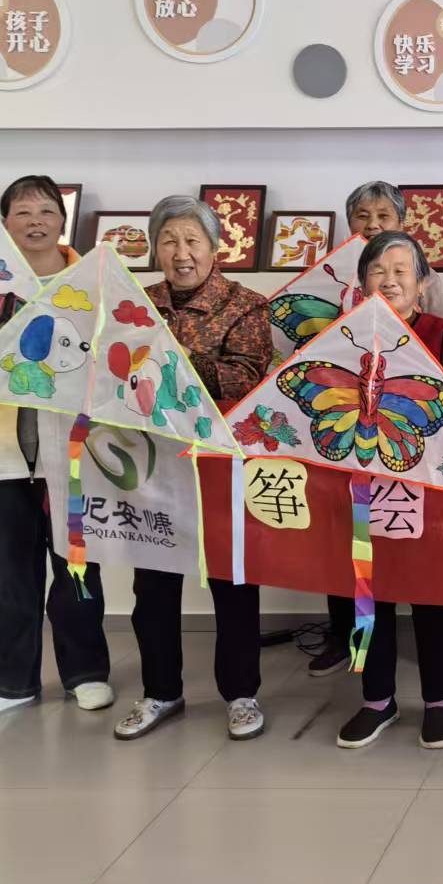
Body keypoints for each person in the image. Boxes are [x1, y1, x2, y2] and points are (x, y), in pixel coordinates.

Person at [0, 176, 113, 726]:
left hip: (72, 451)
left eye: (46, 211)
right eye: (23, 212)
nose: (36, 221)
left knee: (77, 569)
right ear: (6, 223)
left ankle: (86, 673)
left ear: (63, 221)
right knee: (11, 573)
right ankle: (9, 682)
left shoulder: (94, 283)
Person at [117, 196, 270, 742]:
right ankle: (160, 691)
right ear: (155, 249)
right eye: (169, 241)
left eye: (192, 241)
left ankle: (241, 694)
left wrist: (168, 359)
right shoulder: (133, 303)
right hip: (153, 463)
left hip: (219, 463)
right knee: (153, 585)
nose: (181, 253)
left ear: (214, 247)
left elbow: (246, 379)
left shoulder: (246, 305)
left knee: (233, 581)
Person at [336, 231, 443, 750]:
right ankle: (377, 700)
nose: (390, 280)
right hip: (362, 485)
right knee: (368, 592)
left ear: (422, 285)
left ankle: (438, 702)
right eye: (378, 270)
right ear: (362, 282)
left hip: (429, 487)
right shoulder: (344, 334)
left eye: (402, 271)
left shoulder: (440, 332)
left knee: (430, 594)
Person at [311, 180, 443, 677]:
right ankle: (371, 686)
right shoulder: (337, 310)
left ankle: (437, 692)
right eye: (362, 216)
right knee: (361, 576)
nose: (390, 281)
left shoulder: (435, 320)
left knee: (428, 581)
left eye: (383, 217)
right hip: (356, 464)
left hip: (423, 466)